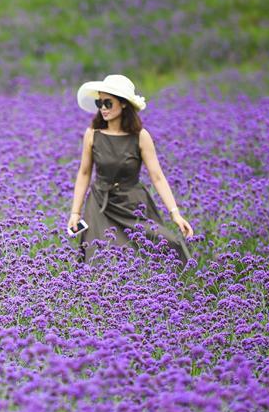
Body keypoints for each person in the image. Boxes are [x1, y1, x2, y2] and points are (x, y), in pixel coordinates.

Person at [67, 74, 193, 267]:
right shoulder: (92, 134)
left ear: (124, 104)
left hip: (133, 204)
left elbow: (157, 177)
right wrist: (75, 213)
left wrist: (175, 214)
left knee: (166, 247)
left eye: (108, 103)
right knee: (99, 259)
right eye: (99, 103)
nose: (102, 108)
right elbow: (84, 173)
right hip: (100, 205)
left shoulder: (141, 136)